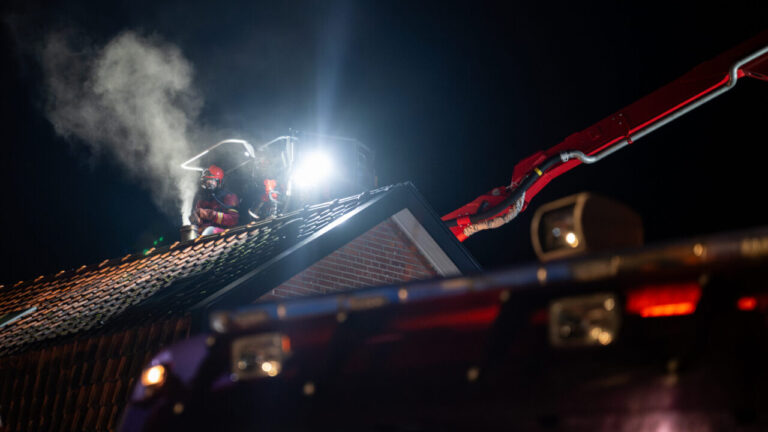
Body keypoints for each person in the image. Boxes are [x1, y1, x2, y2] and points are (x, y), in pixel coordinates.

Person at [190, 165, 239, 236]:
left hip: (227, 235)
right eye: (205, 183)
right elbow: (201, 226)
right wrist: (197, 221)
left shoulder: (229, 197)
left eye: (210, 183)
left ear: (219, 182)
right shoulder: (201, 202)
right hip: (206, 236)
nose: (207, 186)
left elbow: (233, 220)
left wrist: (211, 215)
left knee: (210, 230)